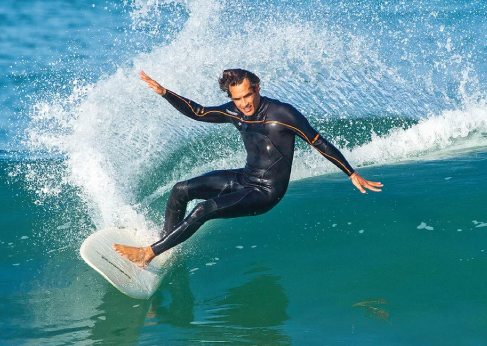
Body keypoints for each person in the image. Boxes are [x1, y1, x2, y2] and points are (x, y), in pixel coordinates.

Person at [113, 69, 383, 267]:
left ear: (257, 87)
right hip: (245, 179)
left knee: (204, 209)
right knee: (181, 190)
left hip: (266, 192)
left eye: (248, 95)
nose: (244, 104)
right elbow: (199, 112)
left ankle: (148, 253)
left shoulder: (283, 114)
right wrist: (164, 92)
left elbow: (317, 141)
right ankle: (165, 243)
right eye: (238, 98)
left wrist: (351, 173)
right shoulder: (235, 112)